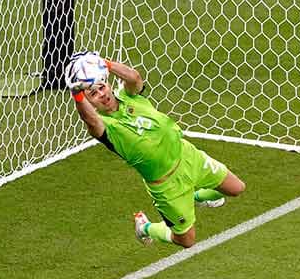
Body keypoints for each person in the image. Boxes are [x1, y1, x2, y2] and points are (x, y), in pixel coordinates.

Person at [66, 52, 246, 248]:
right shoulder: (106, 128)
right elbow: (90, 120)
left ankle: (194, 198)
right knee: (186, 240)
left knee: (237, 189)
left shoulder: (129, 95)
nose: (102, 94)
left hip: (188, 156)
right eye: (94, 94)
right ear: (90, 102)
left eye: (102, 87)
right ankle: (145, 228)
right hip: (167, 186)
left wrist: (105, 64)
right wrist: (77, 93)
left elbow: (134, 78)